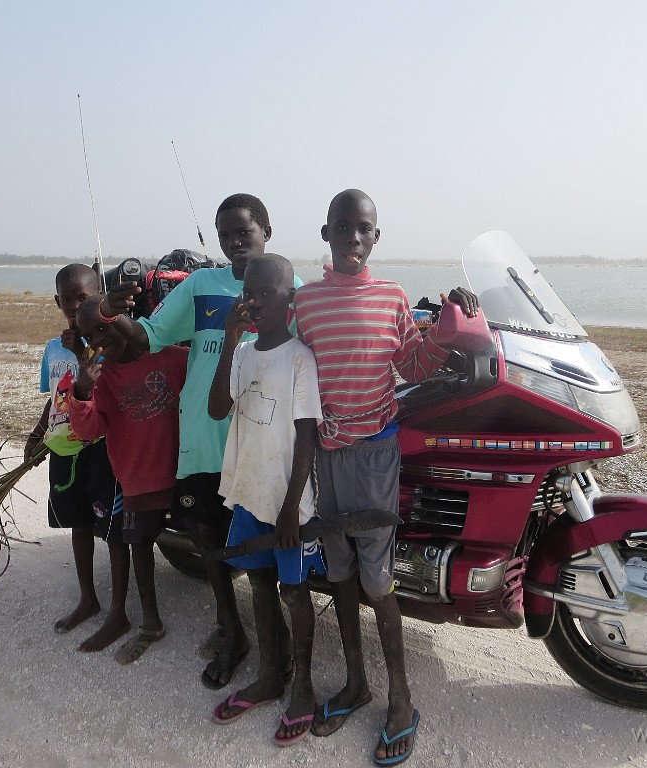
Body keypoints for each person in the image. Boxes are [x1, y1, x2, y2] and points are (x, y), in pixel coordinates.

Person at [294, 189, 479, 766]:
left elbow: (413, 363)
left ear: (376, 238)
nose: (353, 238)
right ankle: (356, 683)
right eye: (342, 228)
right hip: (325, 455)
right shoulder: (304, 303)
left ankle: (401, 699)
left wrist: (451, 329)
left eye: (363, 229)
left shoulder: (393, 298)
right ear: (326, 234)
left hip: (375, 453)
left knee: (377, 579)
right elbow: (288, 366)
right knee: (341, 570)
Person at [102, 194, 302, 688]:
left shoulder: (290, 287)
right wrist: (108, 314)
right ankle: (231, 629)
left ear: (267, 231)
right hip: (203, 430)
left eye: (244, 232)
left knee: (261, 543)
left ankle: (278, 647)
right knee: (210, 539)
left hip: (261, 438)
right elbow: (149, 336)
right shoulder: (199, 285)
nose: (235, 242)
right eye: (225, 234)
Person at [207, 254, 323, 746]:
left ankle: (303, 687)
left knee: (294, 593)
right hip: (249, 496)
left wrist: (292, 508)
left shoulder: (299, 357)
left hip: (286, 502)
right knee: (257, 584)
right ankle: (270, 674)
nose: (254, 302)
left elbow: (306, 438)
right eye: (248, 293)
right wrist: (230, 340)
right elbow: (217, 409)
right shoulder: (244, 352)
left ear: (290, 299)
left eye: (267, 293)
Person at [67, 296, 189, 664]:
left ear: (125, 319)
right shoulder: (98, 378)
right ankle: (150, 622)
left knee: (206, 542)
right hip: (137, 478)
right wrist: (84, 390)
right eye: (90, 336)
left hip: (184, 472)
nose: (100, 341)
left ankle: (225, 623)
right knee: (139, 545)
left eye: (104, 327)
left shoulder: (171, 357)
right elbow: (87, 431)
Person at [23, 263, 128, 653]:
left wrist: (81, 347)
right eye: (66, 300)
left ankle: (119, 612)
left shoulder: (108, 342)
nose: (73, 306)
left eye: (82, 298)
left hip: (101, 449)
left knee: (114, 529)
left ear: (98, 296)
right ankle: (88, 599)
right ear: (57, 302)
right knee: (78, 523)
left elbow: (105, 387)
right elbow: (56, 395)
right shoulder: (53, 348)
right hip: (64, 449)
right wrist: (38, 435)